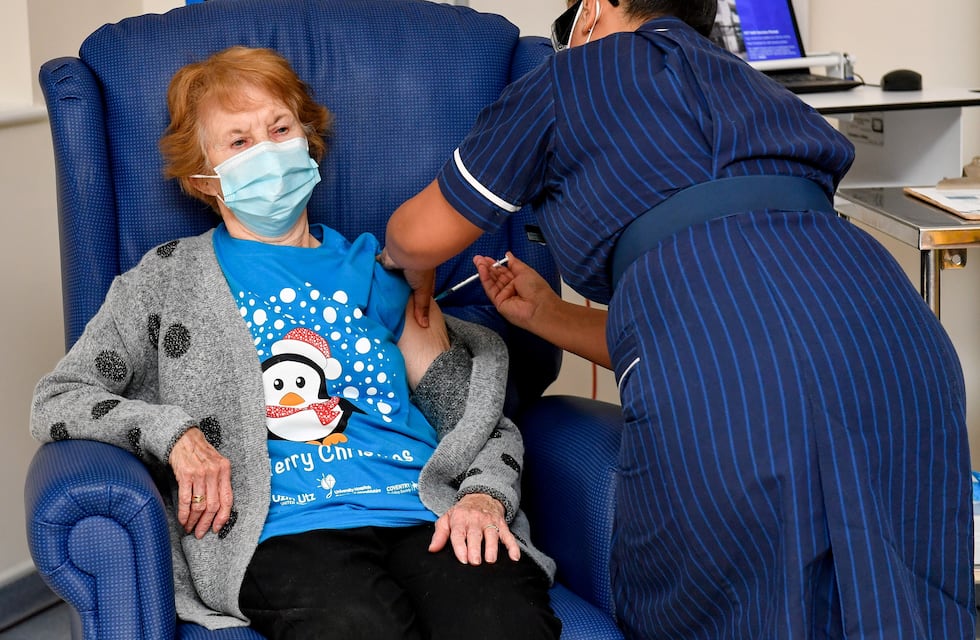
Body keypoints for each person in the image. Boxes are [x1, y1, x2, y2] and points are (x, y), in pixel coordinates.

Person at [380, 1, 976, 639]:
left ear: (598, 7)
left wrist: (396, 264)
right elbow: (748, 317)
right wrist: (549, 316)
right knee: (905, 603)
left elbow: (418, 237)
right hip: (893, 334)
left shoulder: (568, 78)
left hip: (730, 363)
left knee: (737, 609)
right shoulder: (754, 84)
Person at [30, 46, 560, 640]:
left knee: (505, 624)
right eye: (238, 141)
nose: (268, 152)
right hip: (282, 529)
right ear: (203, 178)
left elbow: (471, 417)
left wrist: (485, 496)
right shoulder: (165, 281)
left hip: (423, 510)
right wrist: (172, 433)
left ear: (307, 139)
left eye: (279, 128)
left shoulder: (379, 272)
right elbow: (60, 397)